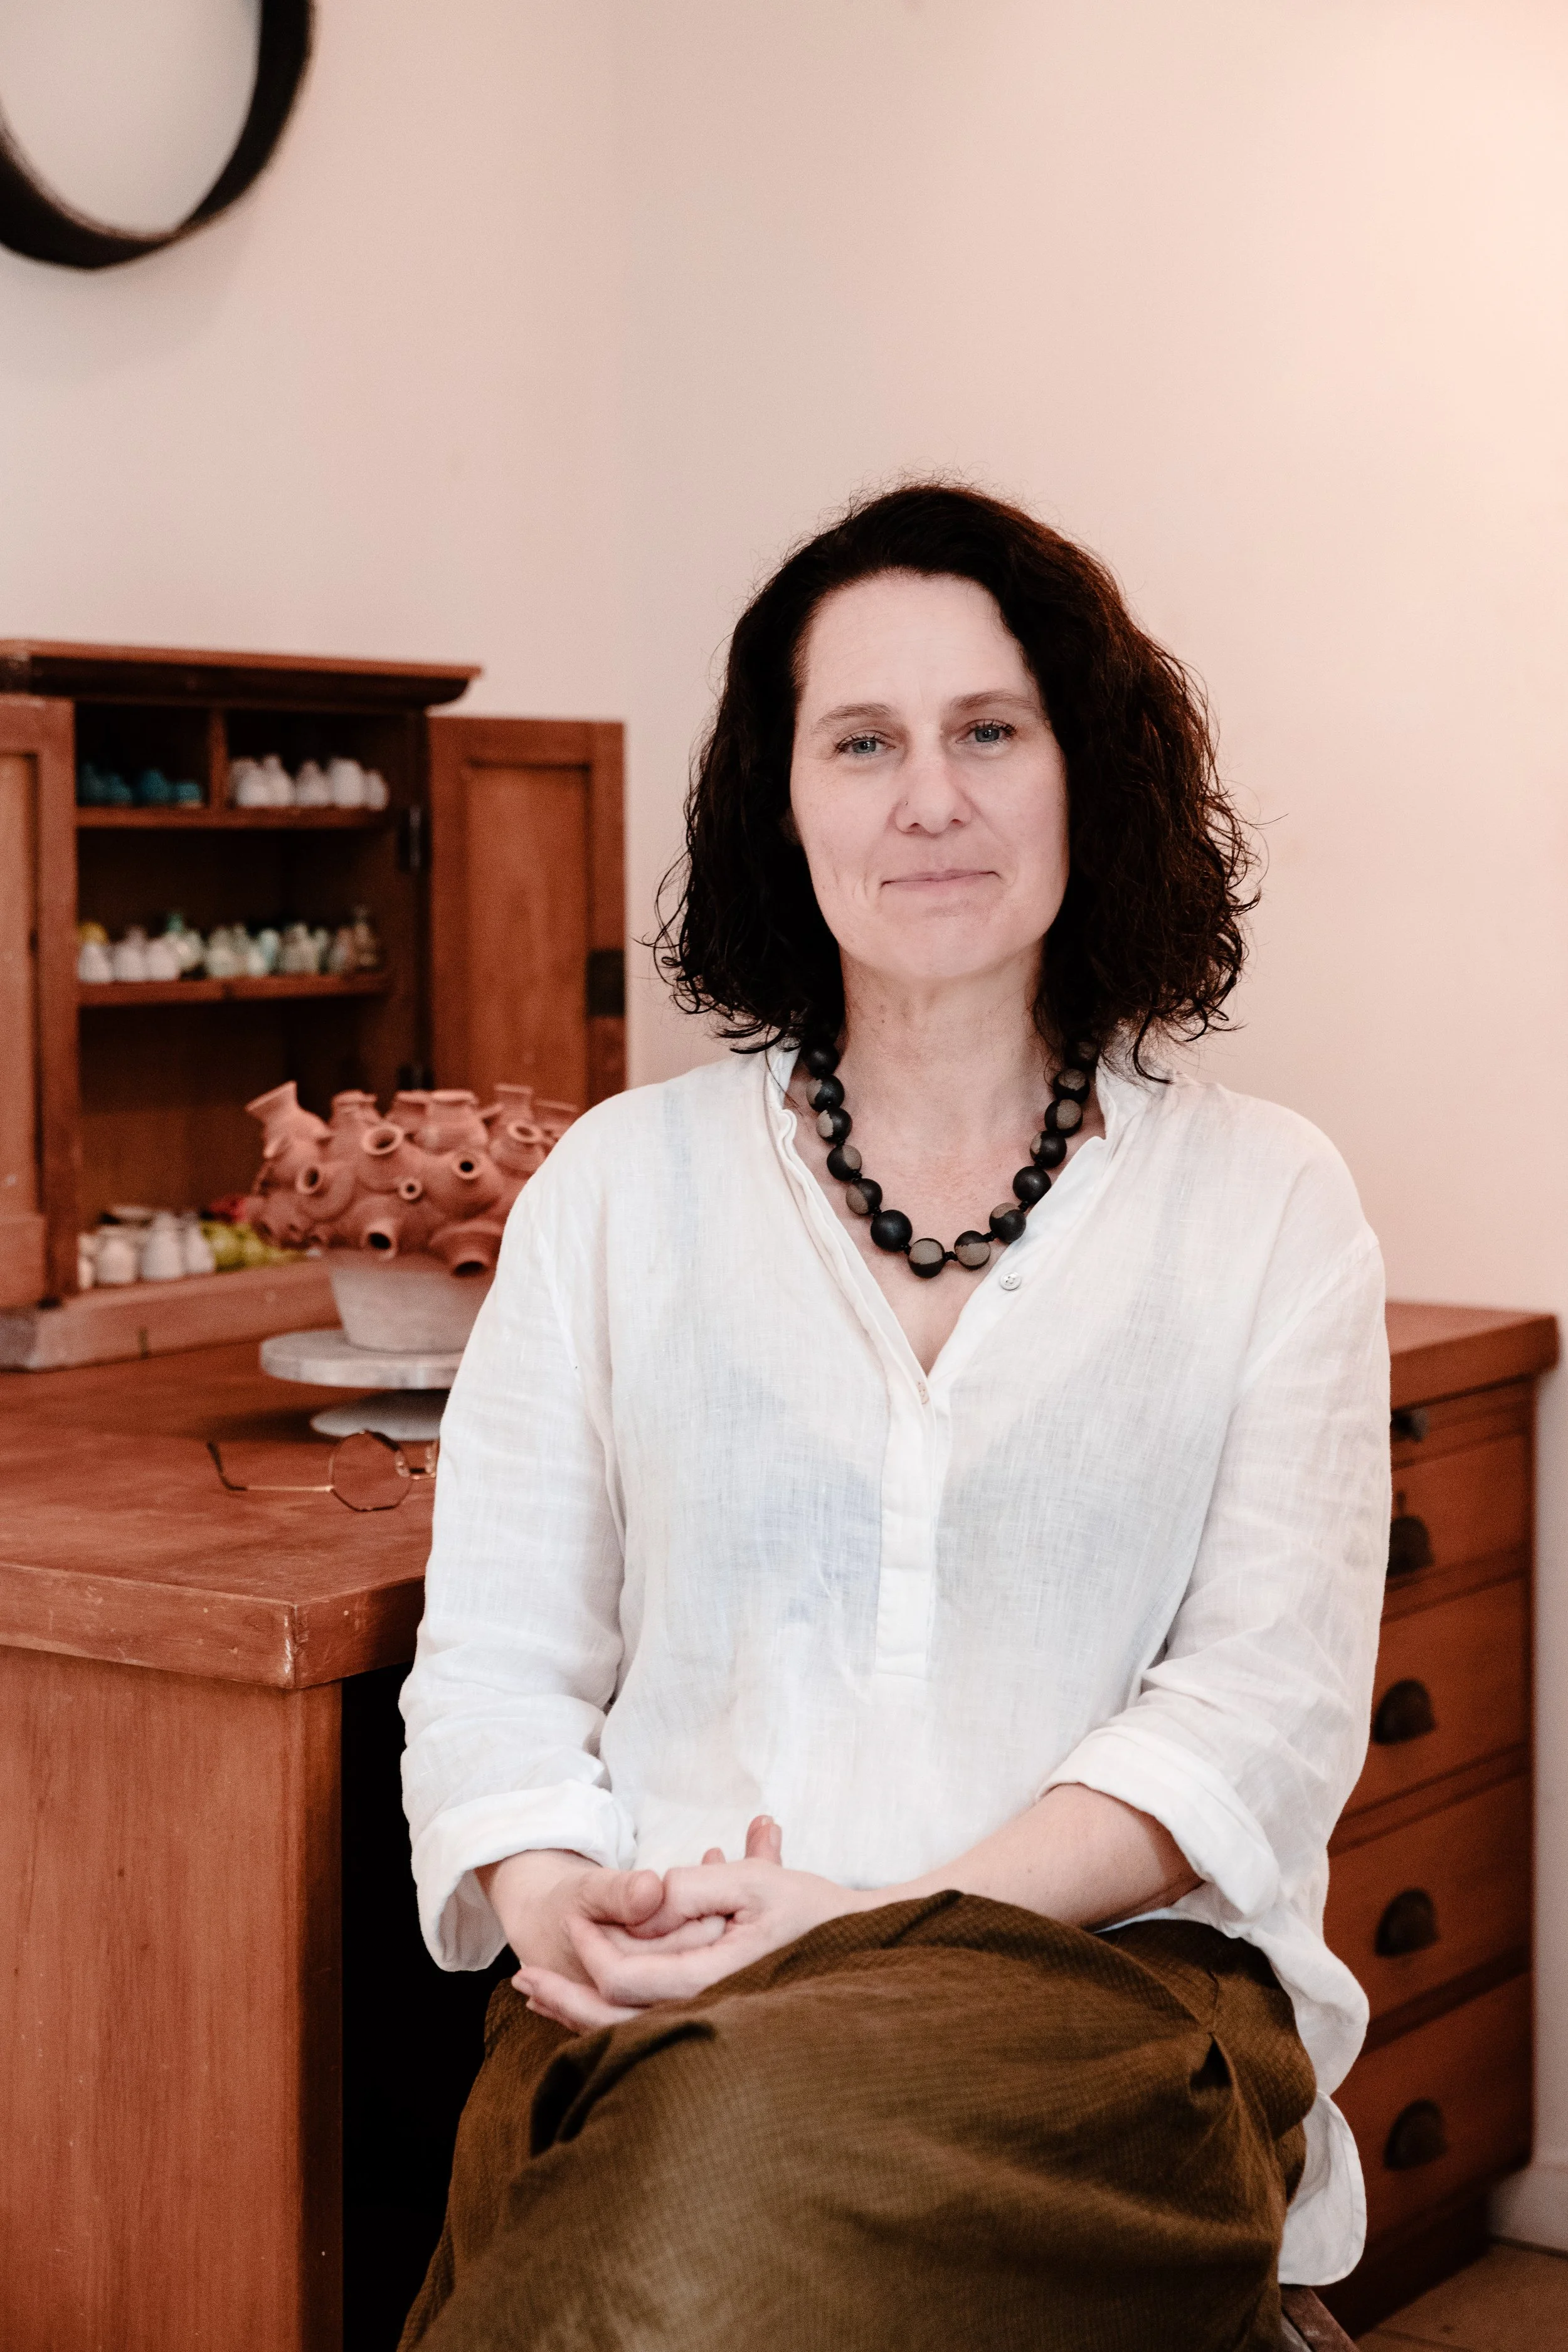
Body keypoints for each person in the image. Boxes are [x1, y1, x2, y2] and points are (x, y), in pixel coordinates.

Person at [397, 484, 1390, 2352]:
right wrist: (556, 1901)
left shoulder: (1266, 1199)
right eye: (861, 740)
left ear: (1084, 775)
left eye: (986, 731)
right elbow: (496, 1668)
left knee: (698, 2210)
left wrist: (868, 1921)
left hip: (1097, 2007)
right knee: (695, 2132)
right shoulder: (619, 1187)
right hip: (671, 1996)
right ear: (781, 800)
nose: (927, 797)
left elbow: (1254, 1718)